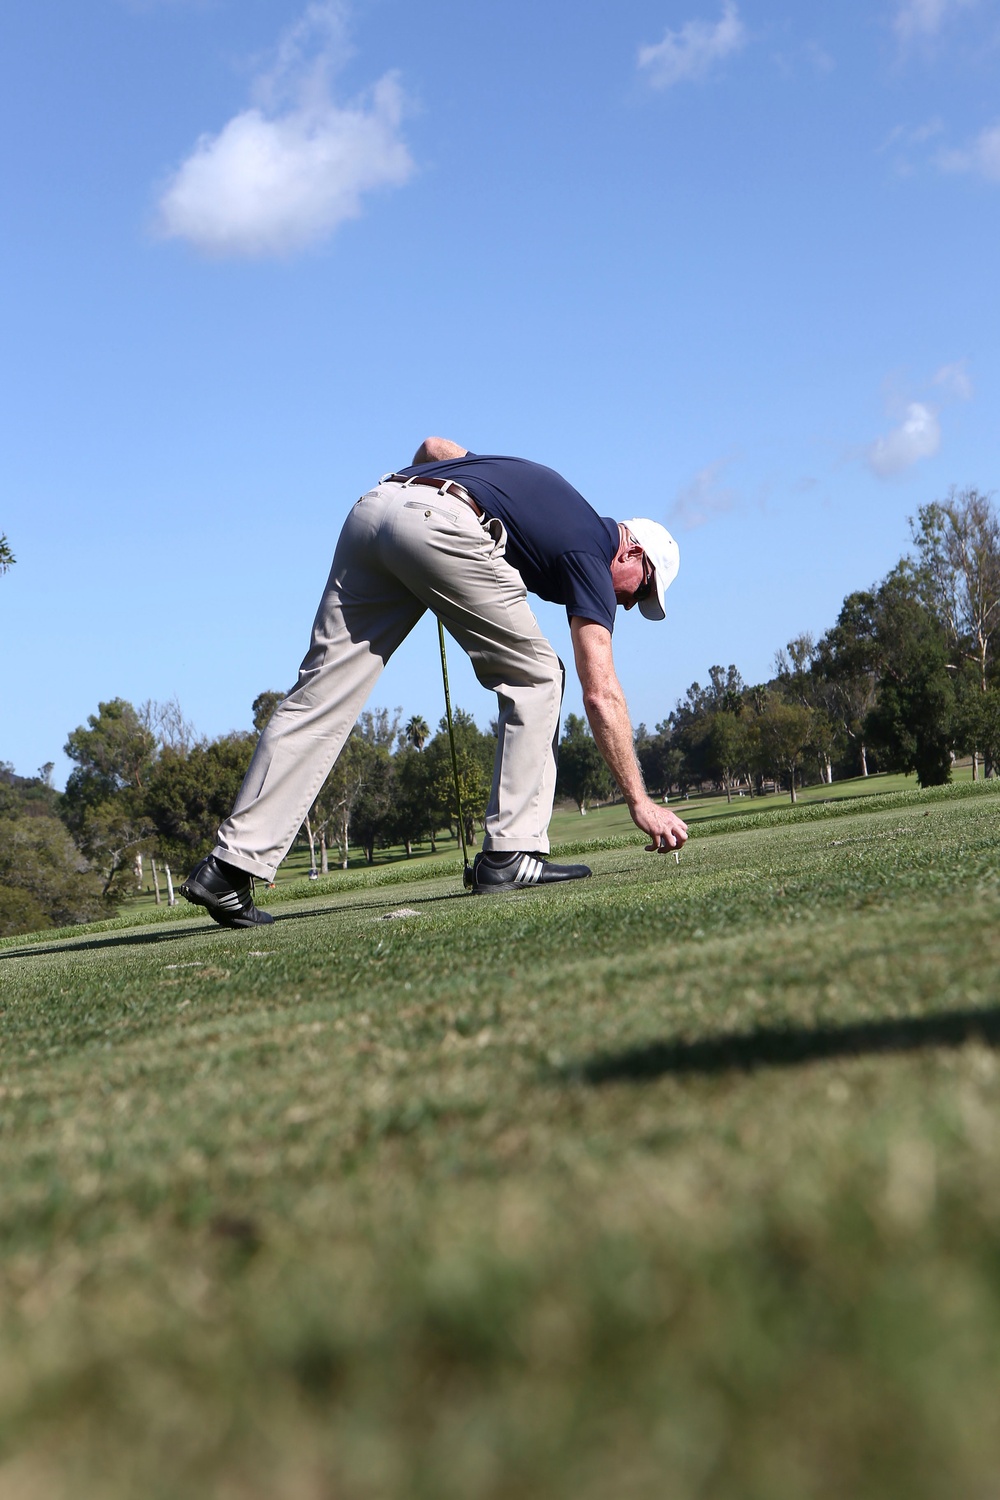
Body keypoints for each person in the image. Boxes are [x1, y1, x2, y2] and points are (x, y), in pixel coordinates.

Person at [180, 438, 689, 926]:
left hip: (374, 508)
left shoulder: (551, 494)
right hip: (438, 523)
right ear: (632, 552)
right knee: (537, 675)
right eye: (639, 591)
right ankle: (512, 853)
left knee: (319, 695)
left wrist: (418, 510)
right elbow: (600, 693)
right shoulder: (592, 553)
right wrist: (639, 802)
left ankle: (229, 868)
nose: (627, 604)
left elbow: (434, 448)